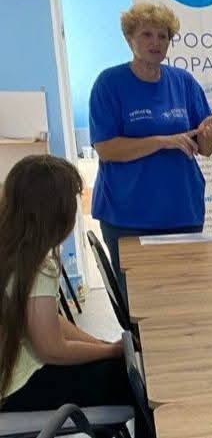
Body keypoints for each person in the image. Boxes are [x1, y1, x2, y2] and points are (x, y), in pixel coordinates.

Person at [0, 156, 151, 436]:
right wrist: (110, 351)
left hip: (14, 380)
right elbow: (52, 349)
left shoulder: (12, 251)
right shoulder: (36, 269)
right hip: (20, 389)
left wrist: (104, 346)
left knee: (131, 368)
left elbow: (50, 321)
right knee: (144, 383)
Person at [89, 2, 212, 287]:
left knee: (187, 296)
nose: (156, 42)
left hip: (183, 212)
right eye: (147, 35)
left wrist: (210, 134)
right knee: (140, 302)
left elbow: (204, 149)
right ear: (129, 39)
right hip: (128, 218)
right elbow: (106, 148)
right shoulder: (109, 84)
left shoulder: (184, 82)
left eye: (163, 36)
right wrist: (162, 142)